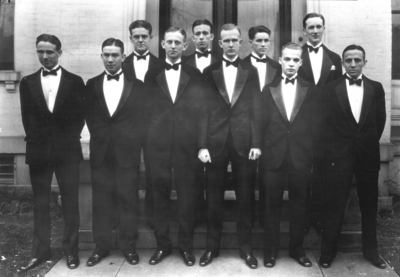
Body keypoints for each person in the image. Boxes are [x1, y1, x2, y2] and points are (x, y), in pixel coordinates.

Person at [198, 23, 261, 269]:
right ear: (220, 43)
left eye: (235, 40)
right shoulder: (209, 71)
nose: (231, 44)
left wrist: (256, 143)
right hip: (215, 143)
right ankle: (211, 249)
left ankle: (246, 250)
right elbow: (203, 111)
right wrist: (202, 145)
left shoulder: (251, 70)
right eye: (227, 41)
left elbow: (256, 109)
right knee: (213, 199)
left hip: (244, 143)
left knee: (246, 198)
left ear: (241, 42)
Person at [19, 34, 85, 270]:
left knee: (70, 202)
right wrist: (41, 141)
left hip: (67, 151)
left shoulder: (76, 82)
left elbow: (79, 119)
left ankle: (71, 251)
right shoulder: (26, 82)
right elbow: (27, 118)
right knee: (40, 203)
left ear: (60, 52)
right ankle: (40, 252)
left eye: (49, 52)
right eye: (40, 51)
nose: (44, 56)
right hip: (38, 151)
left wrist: (63, 139)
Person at [319, 45, 386, 269]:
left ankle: (371, 252)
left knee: (369, 205)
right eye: (349, 60)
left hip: (367, 156)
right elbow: (325, 126)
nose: (353, 64)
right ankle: (328, 252)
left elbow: (380, 121)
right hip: (339, 157)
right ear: (343, 63)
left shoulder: (376, 88)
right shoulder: (330, 89)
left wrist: (364, 144)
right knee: (334, 205)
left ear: (364, 62)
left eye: (358, 60)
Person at [145, 26, 206, 266]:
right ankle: (162, 245)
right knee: (159, 196)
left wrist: (200, 144)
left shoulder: (195, 74)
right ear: (162, 45)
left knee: (187, 197)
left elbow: (202, 112)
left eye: (177, 43)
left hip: (186, 146)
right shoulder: (151, 74)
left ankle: (186, 247)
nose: (173, 46)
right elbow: (145, 110)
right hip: (157, 145)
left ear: (185, 46)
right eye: (168, 42)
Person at [84, 38, 146, 267]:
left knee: (128, 200)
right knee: (101, 201)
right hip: (101, 152)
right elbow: (89, 117)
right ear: (101, 56)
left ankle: (129, 247)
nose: (110, 60)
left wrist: (131, 141)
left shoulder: (137, 85)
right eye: (106, 55)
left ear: (123, 57)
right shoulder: (90, 85)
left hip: (127, 152)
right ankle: (101, 246)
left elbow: (142, 118)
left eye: (115, 55)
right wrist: (101, 137)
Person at [260, 42, 319, 268]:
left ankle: (297, 250)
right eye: (288, 59)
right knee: (271, 206)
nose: (291, 63)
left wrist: (310, 152)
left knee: (299, 207)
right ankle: (270, 252)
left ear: (300, 62)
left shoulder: (309, 88)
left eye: (296, 60)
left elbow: (315, 124)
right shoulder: (268, 89)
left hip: (300, 156)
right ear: (281, 60)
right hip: (273, 156)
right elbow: (262, 123)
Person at [298, 13, 343, 234]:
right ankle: (303, 220)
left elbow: (338, 96)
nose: (315, 31)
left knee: (323, 174)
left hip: (326, 128)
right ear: (304, 31)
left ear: (323, 29)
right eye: (310, 28)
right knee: (303, 174)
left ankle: (319, 219)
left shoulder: (335, 59)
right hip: (301, 126)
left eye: (318, 27)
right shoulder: (295, 57)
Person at [122, 20, 164, 229]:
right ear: (130, 38)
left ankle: (151, 217)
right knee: (128, 174)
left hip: (153, 129)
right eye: (136, 36)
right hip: (127, 128)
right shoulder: (121, 64)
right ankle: (129, 219)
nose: (140, 40)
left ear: (151, 38)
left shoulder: (161, 65)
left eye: (144, 36)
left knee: (153, 173)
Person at [242, 25, 281, 91]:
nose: (263, 44)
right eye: (259, 40)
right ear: (250, 43)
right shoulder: (241, 65)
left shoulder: (277, 66)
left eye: (266, 41)